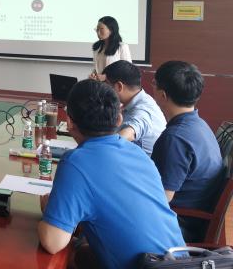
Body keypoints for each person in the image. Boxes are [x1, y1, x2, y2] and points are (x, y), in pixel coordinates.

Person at [38, 79, 185, 268]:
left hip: (147, 265)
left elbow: (52, 242)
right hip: (184, 262)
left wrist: (48, 211)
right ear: (119, 120)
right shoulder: (138, 153)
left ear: (69, 123)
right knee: (81, 252)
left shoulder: (75, 162)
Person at [151, 61, 225, 242]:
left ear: (162, 95)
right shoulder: (199, 124)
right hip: (194, 217)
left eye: (154, 84)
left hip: (180, 225)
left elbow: (162, 198)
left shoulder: (174, 138)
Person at [103, 60, 166, 156]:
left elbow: (129, 133)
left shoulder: (143, 110)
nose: (104, 91)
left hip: (145, 164)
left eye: (106, 85)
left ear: (119, 86)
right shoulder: (135, 100)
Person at [90, 16, 131, 80]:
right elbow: (97, 68)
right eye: (97, 29)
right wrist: (93, 75)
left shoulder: (122, 47)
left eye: (101, 29)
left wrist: (106, 77)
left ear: (111, 30)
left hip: (115, 84)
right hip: (99, 84)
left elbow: (127, 70)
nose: (98, 32)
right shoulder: (97, 47)